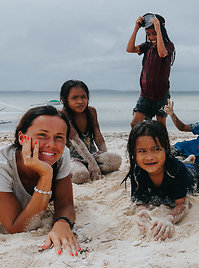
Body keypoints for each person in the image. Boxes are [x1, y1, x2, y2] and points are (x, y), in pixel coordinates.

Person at [0, 106, 80, 256]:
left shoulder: (62, 155)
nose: (51, 144)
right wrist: (46, 175)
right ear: (22, 138)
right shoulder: (3, 166)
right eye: (42, 135)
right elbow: (17, 227)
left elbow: (65, 203)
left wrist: (62, 222)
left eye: (59, 137)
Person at [122, 120, 199, 241]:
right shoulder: (137, 171)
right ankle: (187, 160)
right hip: (174, 165)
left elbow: (182, 204)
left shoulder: (177, 170)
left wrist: (169, 218)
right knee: (181, 163)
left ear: (165, 148)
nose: (149, 157)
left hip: (192, 174)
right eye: (142, 151)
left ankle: (188, 162)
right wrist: (142, 213)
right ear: (134, 152)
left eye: (156, 149)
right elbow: (141, 202)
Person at [60, 80, 122, 184]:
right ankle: (84, 169)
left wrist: (104, 155)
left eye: (83, 97)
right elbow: (75, 140)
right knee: (81, 176)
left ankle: (89, 168)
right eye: (75, 98)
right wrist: (92, 164)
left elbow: (98, 135)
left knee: (116, 160)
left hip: (92, 154)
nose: (80, 101)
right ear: (64, 100)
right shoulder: (63, 115)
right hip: (72, 158)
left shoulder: (91, 111)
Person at [127, 13, 175, 128]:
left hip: (161, 94)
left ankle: (163, 145)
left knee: (160, 125)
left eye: (154, 34)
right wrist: (136, 28)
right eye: (148, 34)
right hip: (145, 94)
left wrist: (158, 30)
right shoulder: (147, 46)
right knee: (134, 123)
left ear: (161, 31)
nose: (151, 37)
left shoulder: (169, 46)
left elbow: (162, 53)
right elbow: (129, 49)